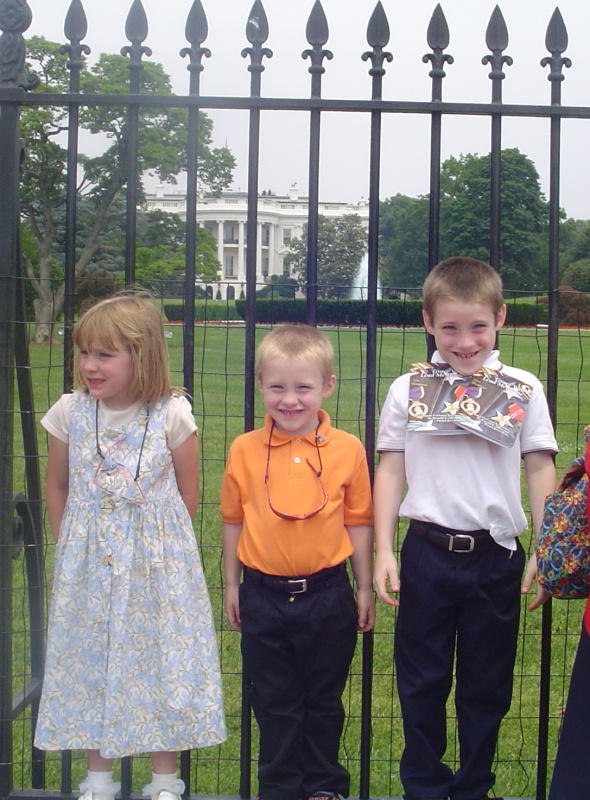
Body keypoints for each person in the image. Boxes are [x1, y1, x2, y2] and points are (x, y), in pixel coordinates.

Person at [373, 256, 557, 800]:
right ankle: (424, 787)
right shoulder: (408, 388)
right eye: (450, 327)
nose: (465, 341)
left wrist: (544, 548)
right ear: (428, 322)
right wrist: (384, 550)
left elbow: (540, 466)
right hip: (426, 553)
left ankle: (475, 786)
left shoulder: (523, 387)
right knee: (421, 682)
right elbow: (390, 468)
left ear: (499, 318)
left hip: (496, 557)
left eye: (478, 325)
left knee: (487, 684)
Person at [35, 293, 226, 800]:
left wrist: (162, 557)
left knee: (158, 661)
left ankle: (164, 781)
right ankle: (98, 780)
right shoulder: (69, 413)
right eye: (84, 353)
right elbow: (58, 485)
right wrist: (68, 550)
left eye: (105, 355)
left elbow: (187, 494)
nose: (90, 366)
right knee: (91, 658)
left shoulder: (171, 415)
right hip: (88, 563)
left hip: (156, 564)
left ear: (141, 357)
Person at [221, 324, 374, 800]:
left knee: (324, 701)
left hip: (327, 595)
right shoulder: (244, 450)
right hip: (263, 596)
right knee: (273, 703)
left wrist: (363, 587)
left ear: (327, 386)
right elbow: (232, 520)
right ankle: (280, 788)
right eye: (277, 387)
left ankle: (325, 787)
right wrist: (231, 584)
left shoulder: (348, 449)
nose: (289, 400)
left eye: (303, 387)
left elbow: (359, 522)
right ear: (260, 386)